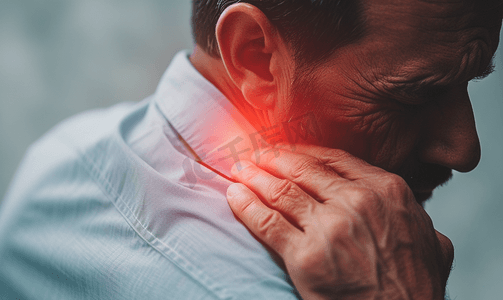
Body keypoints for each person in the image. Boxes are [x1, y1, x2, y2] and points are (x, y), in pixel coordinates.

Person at [0, 0, 501, 299]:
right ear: (256, 57)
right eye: (415, 94)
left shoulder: (57, 163)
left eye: (469, 83)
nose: (464, 149)